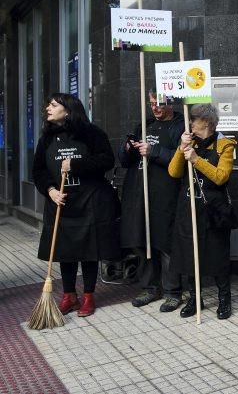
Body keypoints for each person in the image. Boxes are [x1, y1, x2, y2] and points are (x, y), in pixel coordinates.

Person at [32, 93, 120, 317]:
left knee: (90, 250)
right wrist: (50, 190)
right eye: (48, 105)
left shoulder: (92, 133)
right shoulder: (47, 138)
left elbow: (106, 160)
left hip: (90, 201)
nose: (48, 109)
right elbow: (38, 170)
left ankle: (89, 296)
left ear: (68, 110)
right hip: (61, 202)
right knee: (65, 250)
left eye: (53, 105)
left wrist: (76, 164)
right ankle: (69, 295)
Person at [168, 104, 236, 320]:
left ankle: (225, 298)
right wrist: (181, 149)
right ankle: (195, 298)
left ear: (206, 122)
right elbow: (174, 172)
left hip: (214, 210)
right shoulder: (189, 143)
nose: (190, 124)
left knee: (218, 255)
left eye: (194, 119)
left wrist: (197, 160)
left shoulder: (225, 145)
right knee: (189, 253)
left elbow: (221, 176)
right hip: (188, 208)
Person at [119, 92, 184, 312]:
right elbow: (125, 162)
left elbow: (181, 159)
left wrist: (154, 151)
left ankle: (173, 291)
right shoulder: (144, 126)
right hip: (139, 193)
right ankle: (150, 287)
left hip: (166, 194)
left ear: (171, 102)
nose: (155, 108)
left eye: (159, 104)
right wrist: (128, 149)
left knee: (164, 243)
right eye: (151, 104)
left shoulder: (180, 126)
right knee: (142, 240)